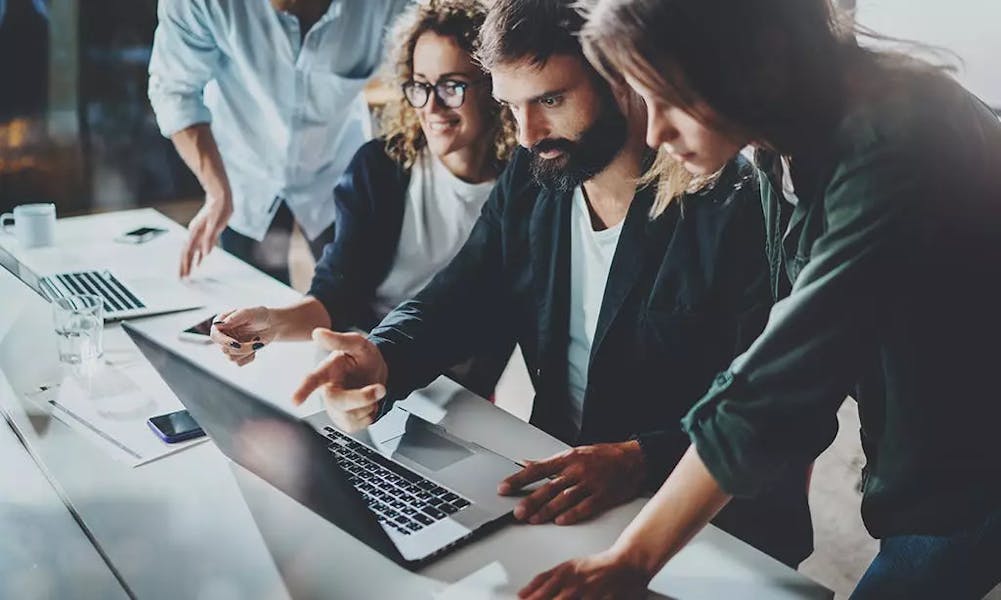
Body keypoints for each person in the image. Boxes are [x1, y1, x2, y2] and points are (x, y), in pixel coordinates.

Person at [290, 0, 814, 568]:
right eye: (512, 108)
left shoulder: (730, 200)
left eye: (551, 100)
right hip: (558, 483)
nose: (528, 134)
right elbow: (462, 293)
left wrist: (638, 458)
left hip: (700, 520)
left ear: (621, 80)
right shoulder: (537, 173)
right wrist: (381, 357)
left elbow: (783, 411)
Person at [520, 0, 1001, 598]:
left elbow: (776, 384)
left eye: (670, 99)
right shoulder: (779, 143)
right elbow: (777, 361)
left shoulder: (897, 146)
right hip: (922, 441)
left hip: (972, 464)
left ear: (745, 62)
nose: (654, 131)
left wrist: (632, 559)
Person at [210, 0, 517, 398]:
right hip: (361, 361)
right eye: (420, 86)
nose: (433, 106)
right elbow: (336, 295)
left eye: (452, 86)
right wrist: (272, 323)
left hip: (457, 387)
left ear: (493, 87)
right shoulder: (379, 169)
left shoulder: (522, 190)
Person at [148, 0, 410, 283]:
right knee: (254, 308)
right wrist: (217, 190)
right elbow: (175, 91)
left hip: (336, 167)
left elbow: (427, 62)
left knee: (357, 296)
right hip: (243, 176)